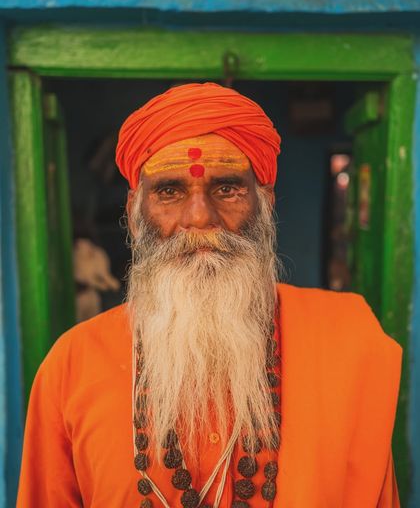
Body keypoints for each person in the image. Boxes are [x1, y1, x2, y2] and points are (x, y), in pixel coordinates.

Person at [17, 83, 401, 507]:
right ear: (133, 210)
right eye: (169, 191)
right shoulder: (71, 365)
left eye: (227, 189)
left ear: (265, 202)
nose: (199, 217)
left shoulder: (350, 343)